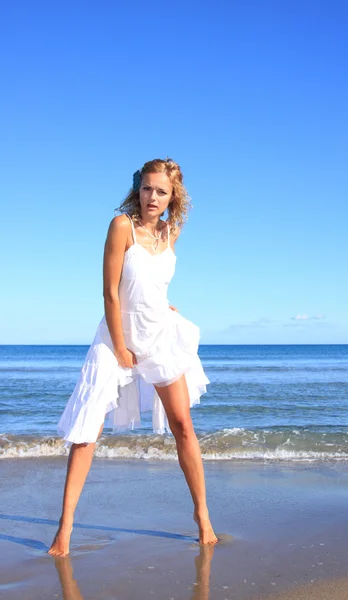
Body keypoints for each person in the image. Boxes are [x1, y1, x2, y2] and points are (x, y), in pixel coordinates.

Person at [48, 157, 219, 557]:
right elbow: (110, 292)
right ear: (137, 189)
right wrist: (122, 346)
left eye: (161, 191)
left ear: (173, 195)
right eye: (146, 188)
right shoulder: (122, 226)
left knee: (183, 425)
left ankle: (203, 517)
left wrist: (167, 306)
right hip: (116, 336)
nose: (152, 197)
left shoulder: (171, 233)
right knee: (87, 432)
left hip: (159, 333)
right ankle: (64, 531)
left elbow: (152, 284)